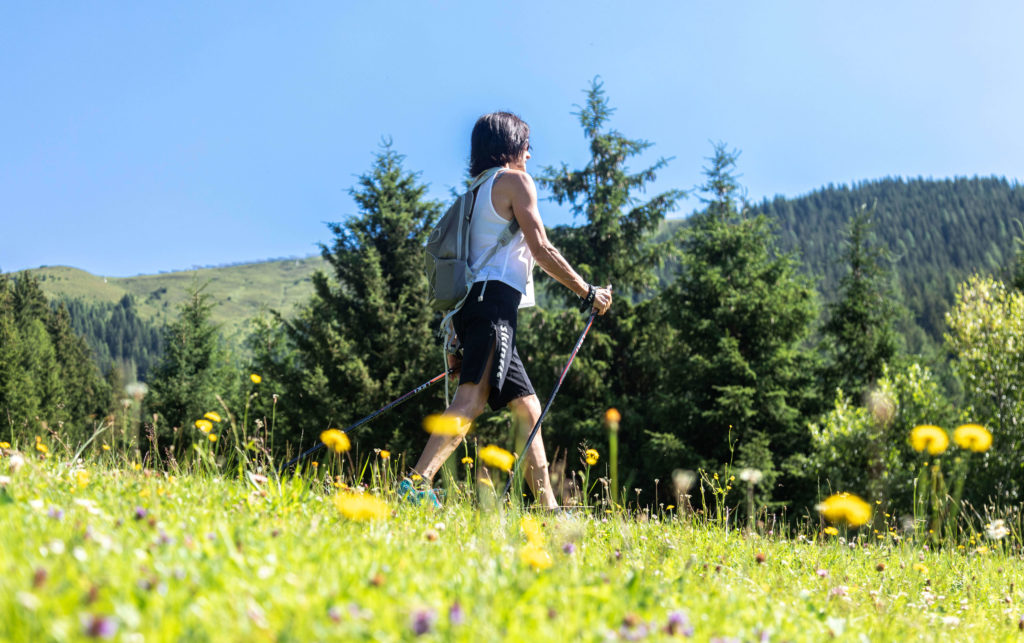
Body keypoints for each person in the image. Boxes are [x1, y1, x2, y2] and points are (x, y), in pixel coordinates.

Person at [402, 111, 613, 509]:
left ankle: (549, 508)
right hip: (495, 306)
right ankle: (416, 485)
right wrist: (588, 293)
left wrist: (456, 337)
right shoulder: (515, 182)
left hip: (473, 308)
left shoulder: (473, 195)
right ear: (512, 145)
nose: (529, 154)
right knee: (471, 400)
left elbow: (466, 270)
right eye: (526, 145)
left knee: (527, 406)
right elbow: (542, 248)